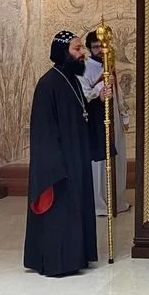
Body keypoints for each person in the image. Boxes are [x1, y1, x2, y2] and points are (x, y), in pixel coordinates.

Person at [24, 31, 108, 277]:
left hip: (76, 158)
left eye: (81, 49)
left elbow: (80, 115)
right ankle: (59, 262)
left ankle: (78, 256)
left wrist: (99, 101)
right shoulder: (48, 84)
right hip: (59, 165)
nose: (82, 54)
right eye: (77, 49)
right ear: (63, 53)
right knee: (60, 212)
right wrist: (55, 165)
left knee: (77, 208)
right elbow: (43, 131)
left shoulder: (71, 80)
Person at [80, 30, 130, 217]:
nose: (100, 50)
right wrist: (99, 90)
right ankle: (100, 204)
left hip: (114, 117)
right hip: (97, 118)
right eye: (95, 47)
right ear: (89, 48)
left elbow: (119, 94)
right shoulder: (85, 68)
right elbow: (83, 94)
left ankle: (116, 200)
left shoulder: (110, 65)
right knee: (100, 163)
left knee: (117, 157)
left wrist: (124, 116)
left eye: (102, 46)